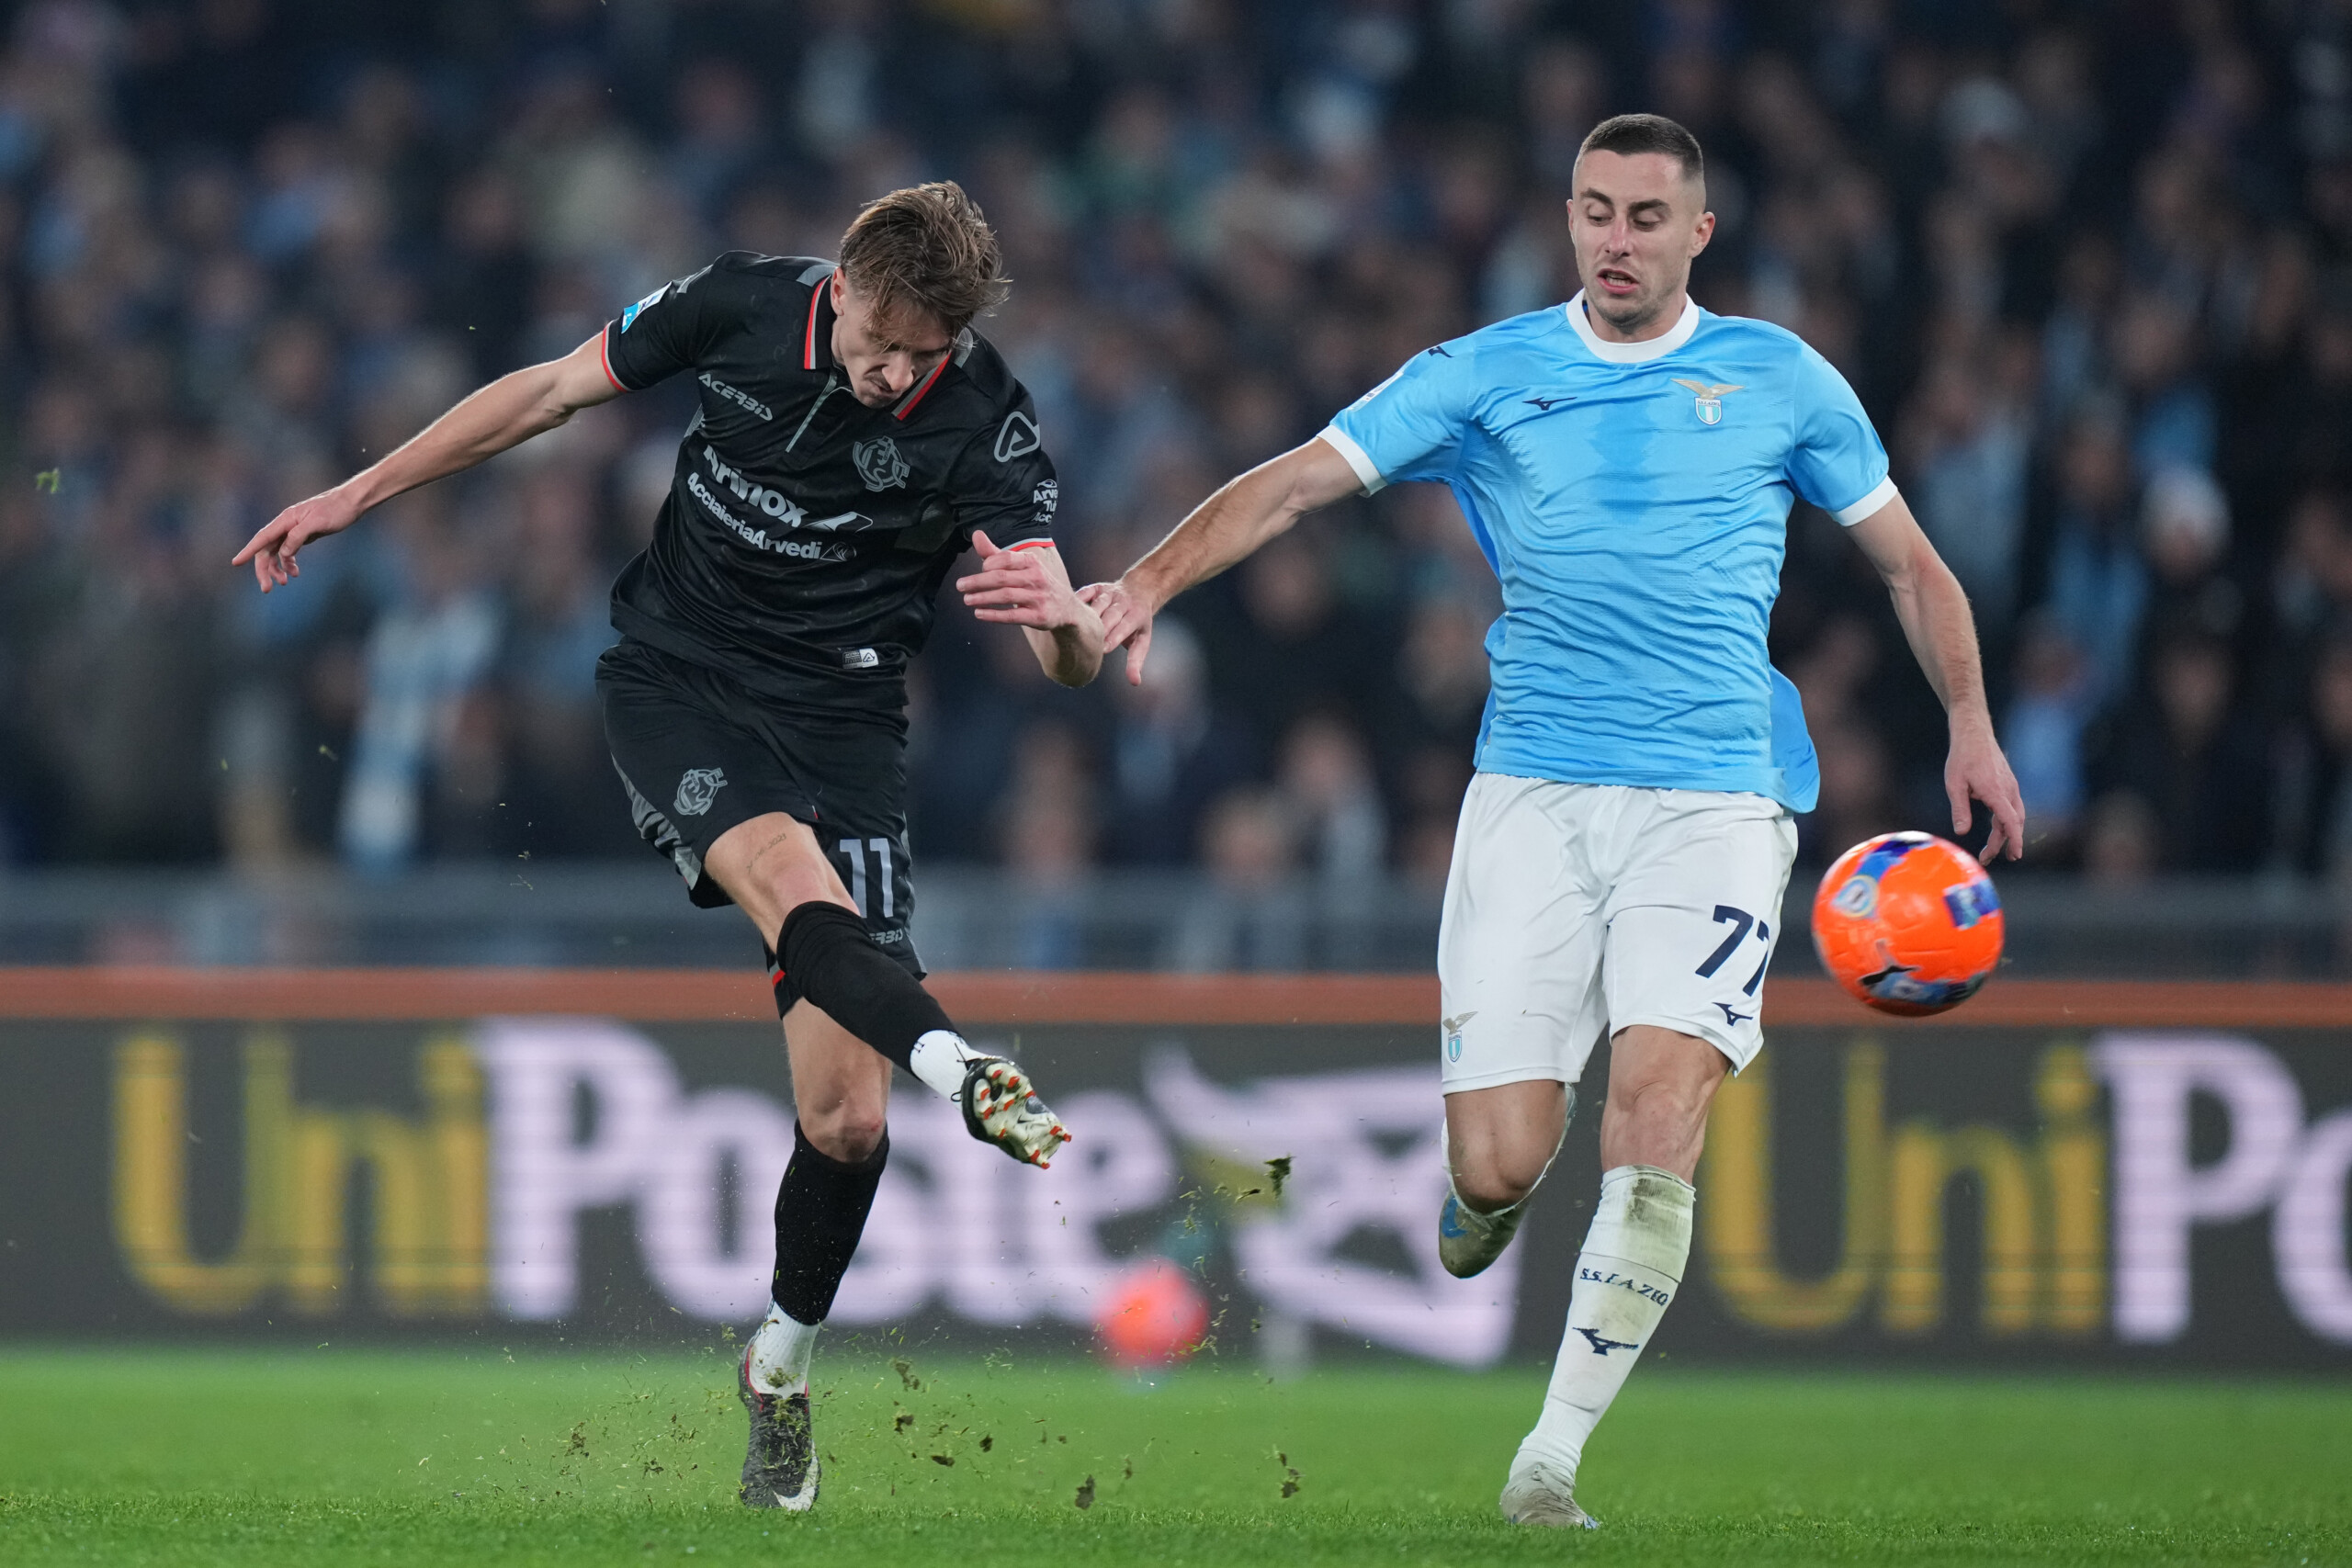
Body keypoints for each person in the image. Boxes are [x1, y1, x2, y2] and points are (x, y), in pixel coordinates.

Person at [1082, 115, 2023, 1529]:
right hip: (1533, 795)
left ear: (1698, 232)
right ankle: (1485, 1199)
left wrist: (1971, 723)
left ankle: (1550, 1462)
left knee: (1656, 1109)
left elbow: (1912, 565)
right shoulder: (1481, 374)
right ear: (1568, 218)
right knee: (1502, 1160)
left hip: (1719, 799)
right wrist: (1146, 585)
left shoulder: (1780, 378)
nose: (1616, 241)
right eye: (1595, 211)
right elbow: (1292, 485)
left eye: (1646, 216)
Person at [232, 182, 1102, 1513]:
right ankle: (966, 1067)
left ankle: (778, 1368)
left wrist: (1069, 625)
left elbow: (1065, 658)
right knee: (790, 888)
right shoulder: (739, 303)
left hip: (847, 724)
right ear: (843, 287)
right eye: (879, 342)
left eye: (921, 355)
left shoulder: (986, 416)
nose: (892, 374)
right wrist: (363, 490)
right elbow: (546, 394)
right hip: (679, 682)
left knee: (846, 1120)